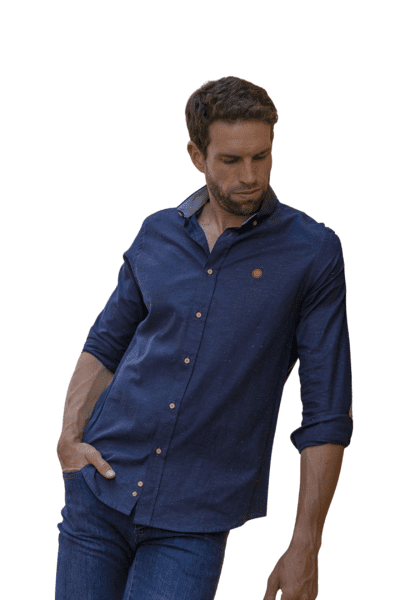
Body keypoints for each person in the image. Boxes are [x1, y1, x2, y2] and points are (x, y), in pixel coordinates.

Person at [55, 75, 353, 600]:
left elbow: (327, 407)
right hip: (99, 491)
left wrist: (306, 544)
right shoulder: (157, 233)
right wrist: (69, 440)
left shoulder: (311, 253)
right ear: (197, 156)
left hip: (194, 520)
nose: (250, 176)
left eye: (261, 157)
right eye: (231, 160)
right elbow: (105, 342)